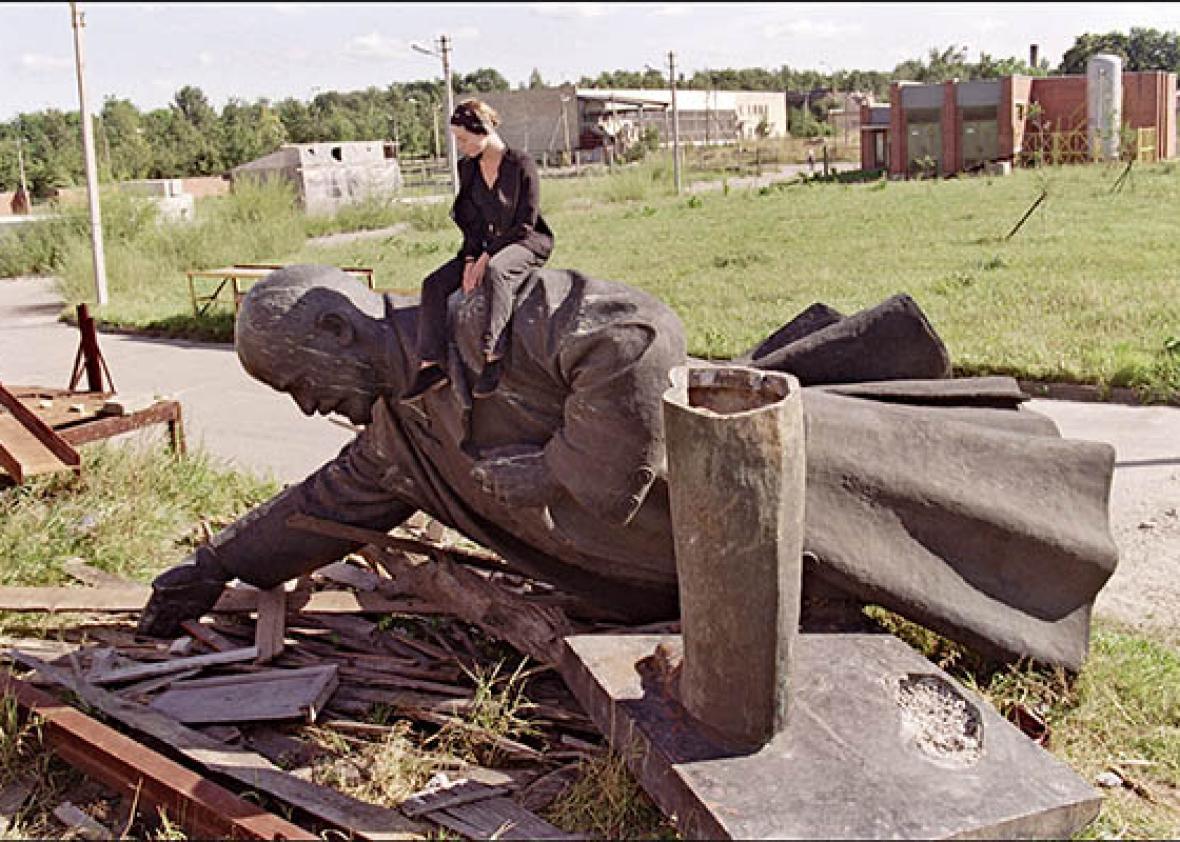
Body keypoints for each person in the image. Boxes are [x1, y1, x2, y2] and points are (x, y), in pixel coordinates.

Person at [137, 263, 1119, 672]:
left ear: (335, 325)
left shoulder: (485, 308)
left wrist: (566, 469)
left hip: (763, 484)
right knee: (839, 609)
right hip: (695, 567)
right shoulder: (400, 433)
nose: (309, 405)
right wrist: (219, 565)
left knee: (956, 537)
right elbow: (326, 506)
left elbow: (638, 335)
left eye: (302, 382)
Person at [402, 98, 554, 404]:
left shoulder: (521, 164)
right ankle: (431, 364)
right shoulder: (468, 168)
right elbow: (470, 222)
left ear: (482, 130)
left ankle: (493, 355)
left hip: (525, 242)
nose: (460, 146)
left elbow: (524, 223)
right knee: (433, 283)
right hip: (483, 245)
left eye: (463, 139)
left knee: (496, 272)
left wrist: (484, 260)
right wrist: (471, 258)